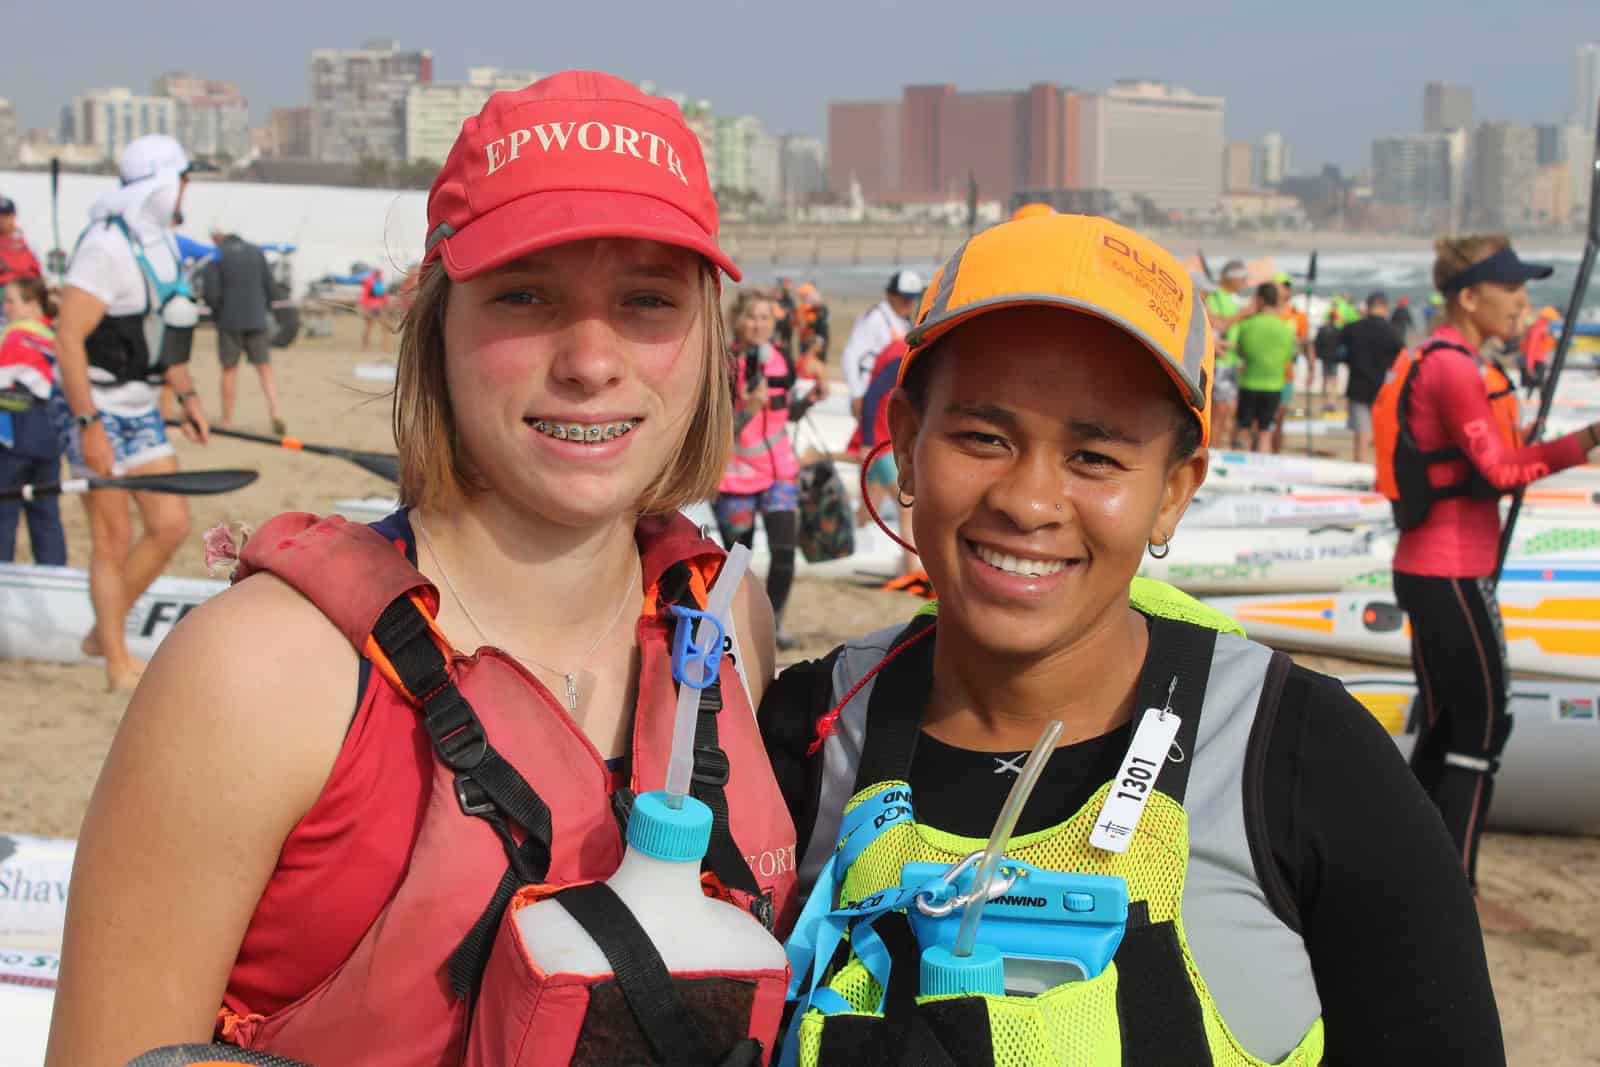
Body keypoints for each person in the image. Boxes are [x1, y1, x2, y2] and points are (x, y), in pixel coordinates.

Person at [48, 72, 797, 1067]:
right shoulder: (258, 673)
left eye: (647, 300)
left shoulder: (726, 620)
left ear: (706, 336)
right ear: (436, 321)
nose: (590, 360)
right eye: (525, 294)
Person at [763, 214, 1503, 1065]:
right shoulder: (805, 736)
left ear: (1174, 492)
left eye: (1095, 457)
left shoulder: (1304, 762)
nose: (1028, 501)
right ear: (904, 441)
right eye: (983, 437)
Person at [1383, 234, 1600, 926]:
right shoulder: (1453, 368)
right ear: (1470, 297)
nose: (1523, 303)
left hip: (1440, 568)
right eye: (1511, 290)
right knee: (1483, 726)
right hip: (1448, 571)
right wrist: (1587, 440)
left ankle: (1408, 865)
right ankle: (1454, 885)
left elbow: (1493, 458)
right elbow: (1501, 471)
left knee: (1449, 721)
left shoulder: (1458, 360)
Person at [51, 134, 211, 692]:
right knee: (112, 537)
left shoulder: (163, 243)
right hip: (94, 406)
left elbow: (167, 333)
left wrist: (187, 396)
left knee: (171, 524)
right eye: (183, 179)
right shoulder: (105, 248)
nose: (187, 189)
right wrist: (88, 425)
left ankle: (104, 631)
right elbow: (67, 338)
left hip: (141, 406)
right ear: (162, 184)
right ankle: (117, 663)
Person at [716, 288, 810, 651]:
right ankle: (736, 625)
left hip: (779, 472)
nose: (759, 324)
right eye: (752, 317)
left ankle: (774, 624)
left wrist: (808, 401)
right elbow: (715, 431)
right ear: (738, 321)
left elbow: (787, 412)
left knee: (784, 552)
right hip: (735, 476)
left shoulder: (781, 361)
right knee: (737, 561)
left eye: (765, 318)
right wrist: (748, 411)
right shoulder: (724, 364)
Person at [0, 277, 67, 564]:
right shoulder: (56, 337)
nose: (5, 308)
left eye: (11, 301)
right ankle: (54, 574)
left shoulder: (17, 338)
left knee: (4, 511)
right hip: (52, 435)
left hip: (17, 434)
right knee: (46, 512)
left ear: (33, 304)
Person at [203, 228, 287, 434]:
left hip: (229, 319)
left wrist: (217, 313)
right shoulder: (256, 252)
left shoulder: (217, 255)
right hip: (256, 317)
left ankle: (227, 420)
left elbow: (211, 293)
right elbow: (270, 286)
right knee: (264, 368)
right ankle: (275, 412)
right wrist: (265, 309)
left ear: (218, 239)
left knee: (230, 370)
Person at [840, 269, 923, 424]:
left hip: (892, 394)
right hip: (871, 393)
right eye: (905, 298)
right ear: (891, 294)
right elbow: (851, 356)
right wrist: (857, 394)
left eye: (913, 298)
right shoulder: (875, 319)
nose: (909, 303)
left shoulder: (905, 321)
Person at [1233, 281, 1297, 452]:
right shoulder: (1286, 328)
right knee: (1265, 432)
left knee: (1243, 429)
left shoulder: (1247, 325)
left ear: (1260, 300)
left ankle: (1239, 462)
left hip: (1250, 382)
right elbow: (1288, 357)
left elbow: (1241, 352)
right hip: (1274, 385)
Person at [1340, 290, 1403, 464]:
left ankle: (1360, 467)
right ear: (1385, 307)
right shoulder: (1392, 332)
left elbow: (1339, 352)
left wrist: (1350, 361)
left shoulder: (1353, 328)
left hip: (1358, 385)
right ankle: (1377, 470)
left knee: (1361, 433)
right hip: (1383, 388)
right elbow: (1401, 360)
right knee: (1381, 432)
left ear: (1367, 307)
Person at [1204, 259, 1249, 447]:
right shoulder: (1215, 296)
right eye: (1243, 278)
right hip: (1219, 363)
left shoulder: (1232, 298)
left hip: (1230, 361)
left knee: (1229, 411)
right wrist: (1244, 314)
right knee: (1219, 412)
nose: (1246, 282)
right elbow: (1219, 325)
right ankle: (1213, 451)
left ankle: (1219, 449)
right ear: (1231, 278)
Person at [0, 198, 42, 293]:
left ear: (14, 216)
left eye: (6, 215)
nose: (1, 219)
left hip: (27, 289)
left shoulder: (29, 241)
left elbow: (40, 271)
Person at [1312, 306, 1343, 406]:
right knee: (1333, 380)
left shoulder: (1323, 329)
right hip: (1334, 358)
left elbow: (1317, 343)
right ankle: (1331, 401)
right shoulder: (1338, 330)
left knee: (1325, 379)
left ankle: (1325, 401)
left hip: (1325, 357)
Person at [359, 267, 388, 351]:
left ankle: (365, 347)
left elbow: (364, 295)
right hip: (377, 307)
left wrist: (363, 306)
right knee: (383, 327)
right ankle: (385, 347)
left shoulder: (370, 282)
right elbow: (384, 296)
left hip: (372, 306)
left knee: (369, 327)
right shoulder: (378, 282)